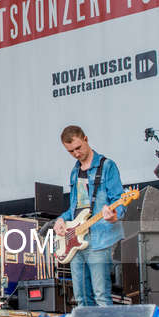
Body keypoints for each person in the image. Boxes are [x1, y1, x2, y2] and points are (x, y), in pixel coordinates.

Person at [53, 125, 125, 307]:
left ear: (85, 139)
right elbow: (75, 208)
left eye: (78, 148)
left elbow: (119, 200)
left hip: (99, 238)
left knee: (101, 296)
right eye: (71, 151)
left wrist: (114, 215)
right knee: (81, 299)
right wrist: (61, 219)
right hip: (76, 238)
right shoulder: (75, 172)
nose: (76, 154)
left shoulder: (107, 166)